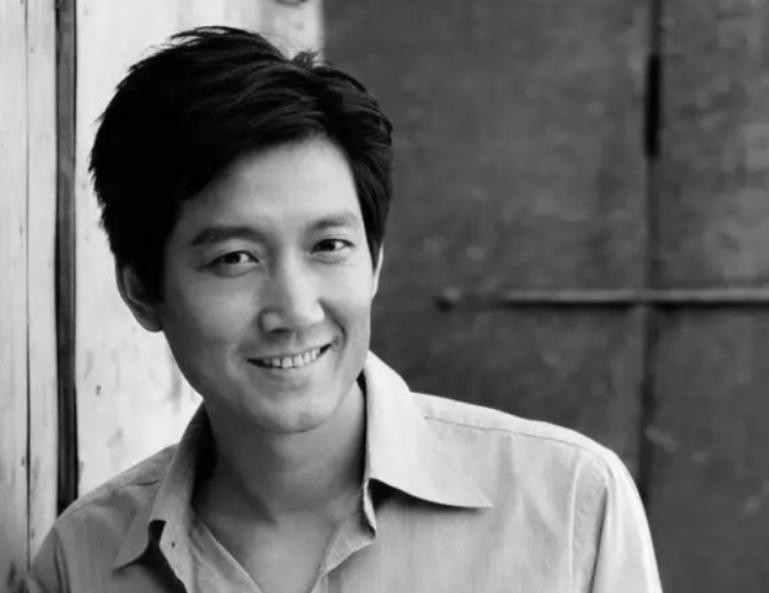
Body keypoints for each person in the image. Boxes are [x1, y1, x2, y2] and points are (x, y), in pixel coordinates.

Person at [27, 26, 662, 593]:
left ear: (375, 261)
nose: (296, 310)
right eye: (235, 258)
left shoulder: (571, 508)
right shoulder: (82, 565)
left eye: (329, 246)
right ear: (142, 289)